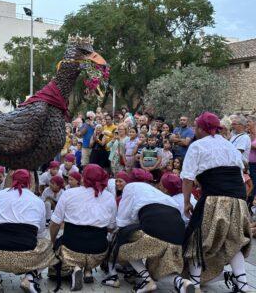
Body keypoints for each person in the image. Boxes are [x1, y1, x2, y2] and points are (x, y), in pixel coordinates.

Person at [181, 112, 252, 292]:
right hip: (238, 199)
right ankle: (243, 284)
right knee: (233, 240)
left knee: (197, 239)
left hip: (214, 198)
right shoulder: (229, 145)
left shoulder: (197, 146)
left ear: (200, 128)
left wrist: (187, 202)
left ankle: (195, 284)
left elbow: (187, 178)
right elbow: (240, 172)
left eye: (195, 126)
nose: (193, 130)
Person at [104, 169, 193, 293]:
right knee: (158, 271)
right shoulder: (155, 191)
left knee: (124, 246)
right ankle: (182, 282)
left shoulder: (130, 187)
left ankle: (147, 281)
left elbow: (122, 222)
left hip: (156, 230)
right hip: (178, 234)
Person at [0, 169, 57, 293]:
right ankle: (29, 278)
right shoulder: (38, 201)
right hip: (26, 257)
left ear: (12, 180)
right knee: (48, 246)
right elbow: (40, 233)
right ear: (29, 182)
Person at [50, 164, 117, 291]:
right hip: (98, 252)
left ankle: (75, 267)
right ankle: (87, 270)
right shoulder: (109, 197)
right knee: (93, 240)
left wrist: (52, 242)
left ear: (83, 178)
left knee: (60, 245)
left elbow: (55, 223)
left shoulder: (69, 194)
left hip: (71, 250)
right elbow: (110, 228)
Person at [247, 115, 256, 207]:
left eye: (249, 121)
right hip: (247, 165)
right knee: (248, 185)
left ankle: (250, 204)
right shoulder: (247, 136)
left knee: (253, 184)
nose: (247, 123)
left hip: (255, 165)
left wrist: (248, 145)